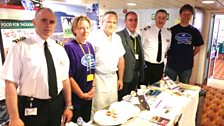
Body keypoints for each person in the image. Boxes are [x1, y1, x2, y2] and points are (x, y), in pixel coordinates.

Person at [0, 7, 73, 126]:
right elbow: (10, 84)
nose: (48, 25)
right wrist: (14, 118)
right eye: (43, 20)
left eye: (52, 22)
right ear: (34, 22)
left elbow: (65, 80)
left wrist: (69, 106)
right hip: (31, 108)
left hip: (56, 105)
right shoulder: (20, 47)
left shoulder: (59, 49)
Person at [88, 11, 125, 112]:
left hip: (113, 78)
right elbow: (89, 63)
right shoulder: (93, 37)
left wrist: (120, 79)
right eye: (109, 21)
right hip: (98, 79)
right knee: (98, 109)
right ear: (102, 21)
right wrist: (92, 83)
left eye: (114, 22)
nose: (111, 24)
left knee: (112, 107)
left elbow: (121, 59)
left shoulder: (117, 38)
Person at [64, 16, 95, 122]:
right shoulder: (69, 47)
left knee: (86, 121)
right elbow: (68, 76)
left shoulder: (90, 46)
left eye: (87, 27)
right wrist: (81, 95)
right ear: (74, 30)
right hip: (76, 96)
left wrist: (93, 88)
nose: (85, 30)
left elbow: (93, 70)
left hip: (89, 94)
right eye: (81, 28)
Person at [165, 4, 204, 84]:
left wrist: (189, 56)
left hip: (186, 67)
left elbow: (198, 48)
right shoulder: (172, 30)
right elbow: (166, 46)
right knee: (168, 86)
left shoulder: (195, 32)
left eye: (189, 14)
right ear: (180, 15)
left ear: (191, 16)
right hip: (171, 65)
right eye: (184, 14)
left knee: (184, 87)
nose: (186, 16)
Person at [117, 11, 144, 101]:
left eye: (135, 20)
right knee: (122, 100)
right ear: (125, 22)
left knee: (131, 100)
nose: (133, 23)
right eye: (130, 20)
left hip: (136, 75)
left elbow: (139, 55)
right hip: (124, 76)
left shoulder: (138, 37)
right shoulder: (118, 36)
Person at [141, 9, 171, 85]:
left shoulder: (168, 33)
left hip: (159, 66)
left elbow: (167, 48)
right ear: (155, 18)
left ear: (166, 19)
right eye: (159, 17)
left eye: (163, 18)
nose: (161, 20)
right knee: (143, 88)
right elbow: (140, 48)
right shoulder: (146, 31)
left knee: (155, 89)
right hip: (147, 65)